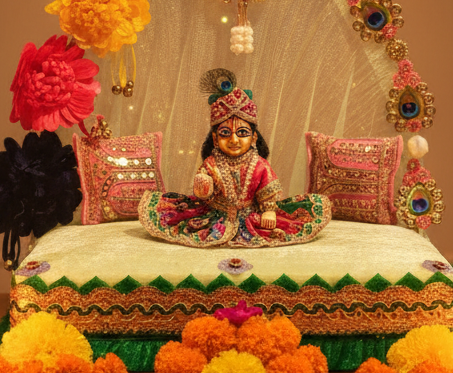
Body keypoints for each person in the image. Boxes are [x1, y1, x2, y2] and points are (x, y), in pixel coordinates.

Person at [138, 68, 331, 247]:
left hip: (251, 215)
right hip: (215, 215)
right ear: (214, 138)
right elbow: (203, 192)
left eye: (242, 133)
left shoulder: (260, 165)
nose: (234, 139)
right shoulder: (211, 163)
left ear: (254, 137)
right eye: (224, 133)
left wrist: (270, 210)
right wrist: (203, 188)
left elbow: (268, 191)